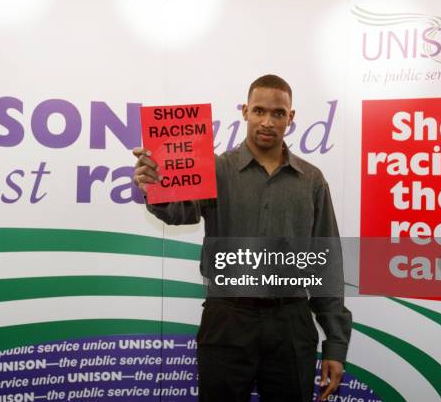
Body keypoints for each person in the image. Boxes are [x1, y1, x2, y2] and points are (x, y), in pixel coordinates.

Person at [132, 74, 352, 402]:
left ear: (290, 118)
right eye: (259, 110)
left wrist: (335, 343)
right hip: (227, 320)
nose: (267, 121)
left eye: (278, 113)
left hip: (291, 324)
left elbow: (327, 265)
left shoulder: (312, 181)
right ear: (245, 111)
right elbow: (181, 213)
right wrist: (157, 188)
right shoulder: (215, 170)